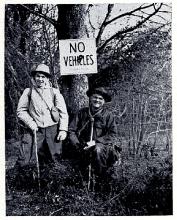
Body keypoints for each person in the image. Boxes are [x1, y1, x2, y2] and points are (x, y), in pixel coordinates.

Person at [16, 63, 68, 169]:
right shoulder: (28, 91)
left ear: (47, 78)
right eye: (38, 76)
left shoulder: (54, 92)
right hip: (34, 130)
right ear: (34, 77)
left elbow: (63, 112)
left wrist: (63, 130)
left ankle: (52, 183)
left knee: (55, 160)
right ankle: (26, 182)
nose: (40, 79)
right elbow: (21, 111)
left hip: (53, 130)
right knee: (26, 160)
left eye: (43, 77)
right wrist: (31, 123)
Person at [68, 87, 119, 185]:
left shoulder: (108, 116)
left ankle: (100, 181)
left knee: (97, 150)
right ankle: (80, 182)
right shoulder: (81, 113)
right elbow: (71, 130)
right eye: (95, 97)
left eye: (100, 99)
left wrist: (95, 142)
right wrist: (77, 144)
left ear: (104, 102)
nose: (97, 100)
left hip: (100, 146)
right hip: (82, 145)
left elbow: (113, 135)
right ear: (90, 98)